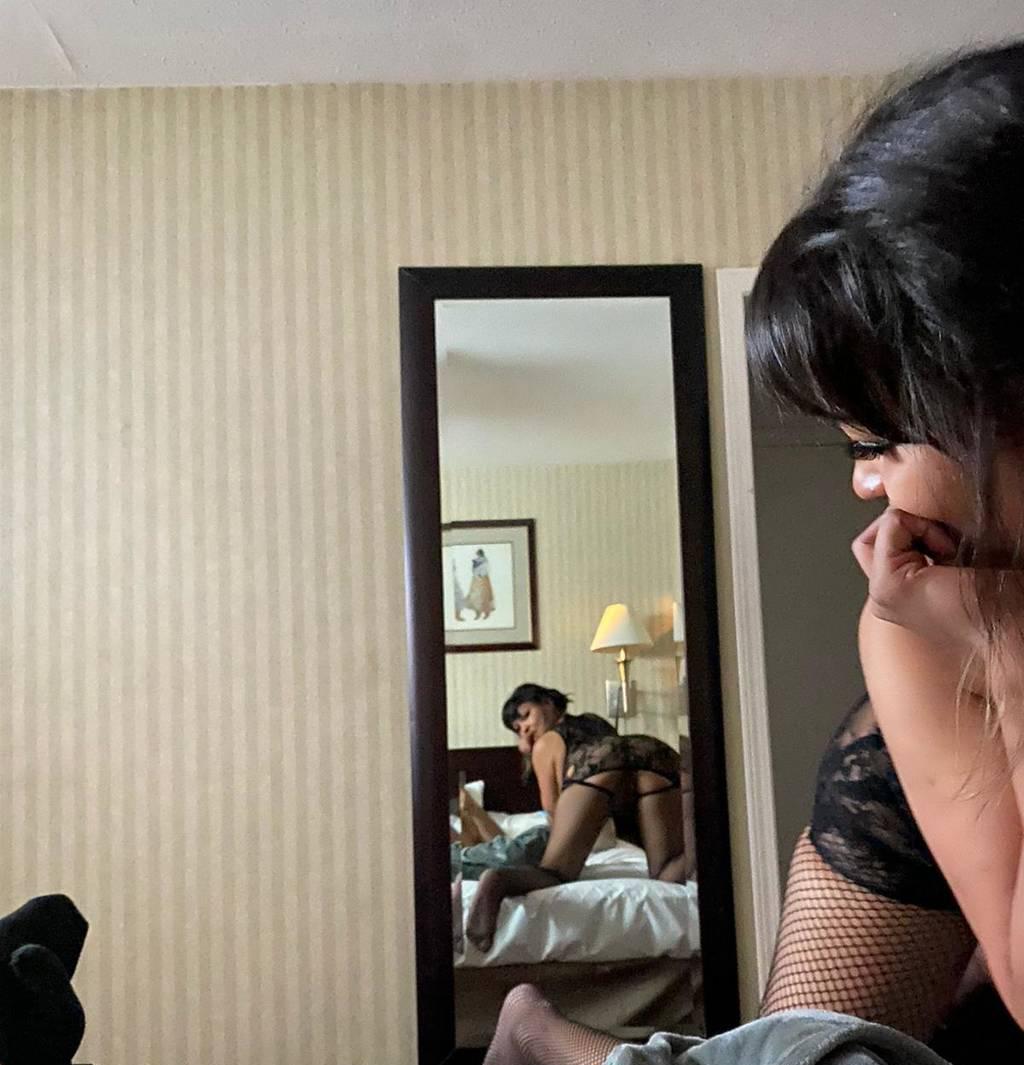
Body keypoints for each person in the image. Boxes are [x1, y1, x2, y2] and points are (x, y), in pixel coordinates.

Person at [480, 38, 1024, 1065]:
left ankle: (548, 1038)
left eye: (877, 443)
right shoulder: (917, 648)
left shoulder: (574, 742)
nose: (864, 486)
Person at [465, 682, 694, 952]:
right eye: (517, 729)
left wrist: (531, 749)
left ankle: (498, 880)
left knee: (555, 873)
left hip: (598, 766)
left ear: (548, 703)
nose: (524, 729)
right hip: (653, 753)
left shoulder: (547, 742)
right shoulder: (595, 723)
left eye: (526, 716)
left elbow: (554, 811)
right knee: (667, 875)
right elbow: (623, 780)